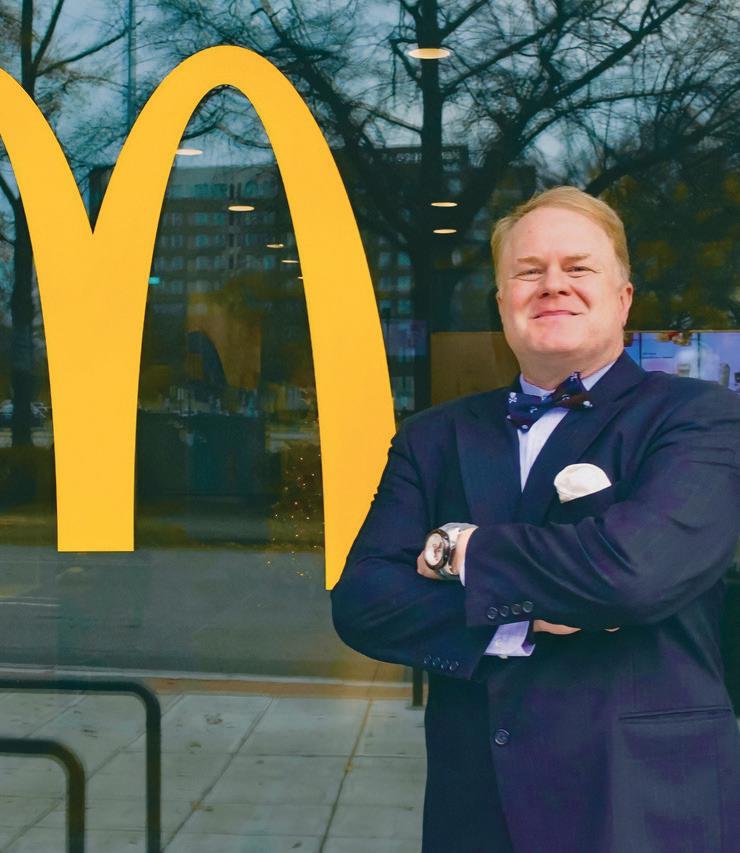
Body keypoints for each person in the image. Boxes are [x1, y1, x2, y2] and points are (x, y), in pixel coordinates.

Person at [331, 186, 740, 853]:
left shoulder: (701, 417)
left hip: (645, 802)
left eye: (578, 268)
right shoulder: (432, 437)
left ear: (623, 298)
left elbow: (632, 573)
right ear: (502, 303)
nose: (553, 285)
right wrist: (527, 614)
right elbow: (364, 601)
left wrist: (461, 551)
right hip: (478, 805)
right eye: (529, 271)